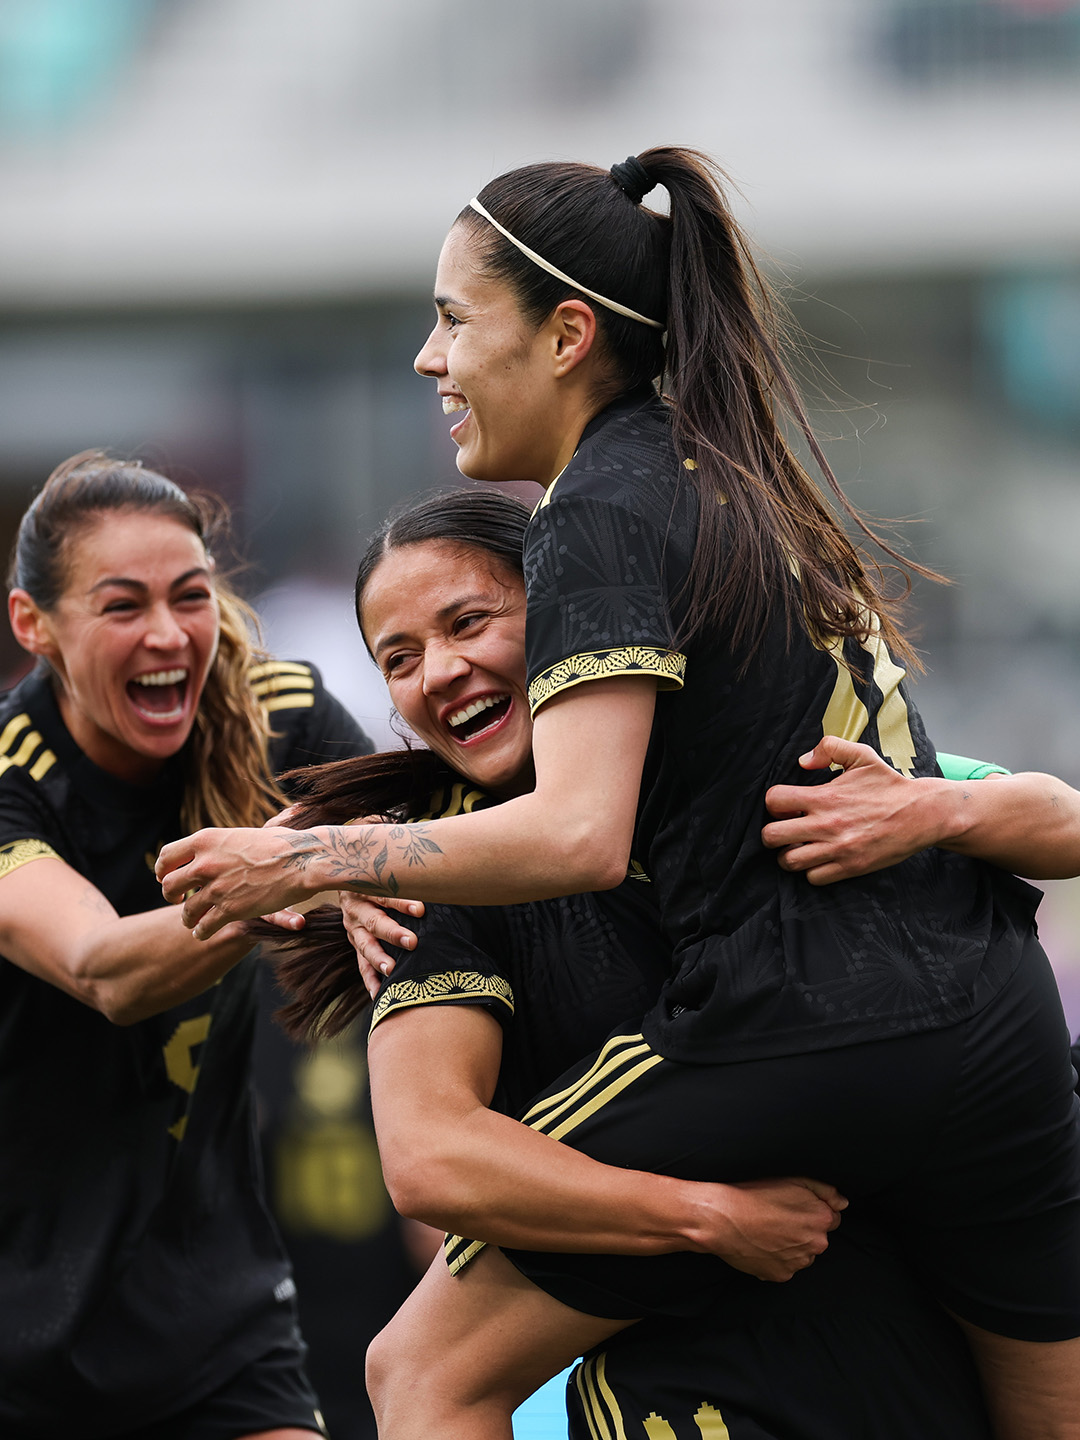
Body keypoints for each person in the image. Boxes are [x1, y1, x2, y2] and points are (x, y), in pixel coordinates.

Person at [158, 149, 1080, 1439]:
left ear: (568, 333)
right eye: (394, 659)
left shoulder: (593, 512)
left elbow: (580, 837)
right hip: (1000, 1030)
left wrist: (314, 864)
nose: (431, 359)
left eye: (451, 318)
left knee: (415, 1372)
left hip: (818, 1033)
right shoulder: (737, 473)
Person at [259, 486, 992, 1440]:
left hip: (900, 1294)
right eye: (399, 659)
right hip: (685, 1354)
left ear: (567, 616)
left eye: (470, 621)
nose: (440, 670)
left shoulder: (744, 765)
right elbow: (430, 1163)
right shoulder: (420, 875)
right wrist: (706, 1216)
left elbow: (1035, 812)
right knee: (418, 1370)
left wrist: (946, 812)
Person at [0, 451, 372, 1440]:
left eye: (190, 597)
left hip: (215, 1319)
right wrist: (282, 881)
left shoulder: (283, 717)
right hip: (17, 1341)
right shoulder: (10, 778)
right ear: (33, 626)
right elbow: (101, 967)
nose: (168, 635)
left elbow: (444, 844)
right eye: (123, 606)